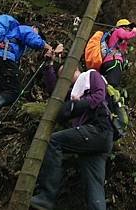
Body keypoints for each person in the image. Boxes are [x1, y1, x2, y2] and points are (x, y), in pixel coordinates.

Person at [30, 68, 113, 210]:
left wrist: (75, 106)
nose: (64, 79)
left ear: (75, 69)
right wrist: (49, 67)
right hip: (95, 141)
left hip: (98, 130)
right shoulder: (75, 92)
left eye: (65, 74)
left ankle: (46, 198)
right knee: (94, 186)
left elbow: (99, 95)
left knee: (54, 141)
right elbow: (56, 92)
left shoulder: (90, 75)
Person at [99, 19, 136, 87]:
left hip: (108, 61)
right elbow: (126, 36)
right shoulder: (119, 30)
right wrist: (134, 31)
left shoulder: (115, 34)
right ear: (123, 27)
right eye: (128, 27)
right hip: (114, 61)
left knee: (106, 85)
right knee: (112, 85)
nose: (129, 29)